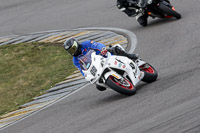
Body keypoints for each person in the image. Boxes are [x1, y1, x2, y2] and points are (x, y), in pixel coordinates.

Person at [63, 38, 138, 91]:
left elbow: (97, 45)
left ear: (77, 44)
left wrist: (102, 49)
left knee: (115, 49)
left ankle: (130, 56)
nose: (73, 51)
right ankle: (117, 83)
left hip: (104, 56)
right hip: (97, 68)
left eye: (73, 48)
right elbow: (82, 70)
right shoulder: (75, 60)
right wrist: (86, 76)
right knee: (100, 87)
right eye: (70, 51)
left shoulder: (86, 44)